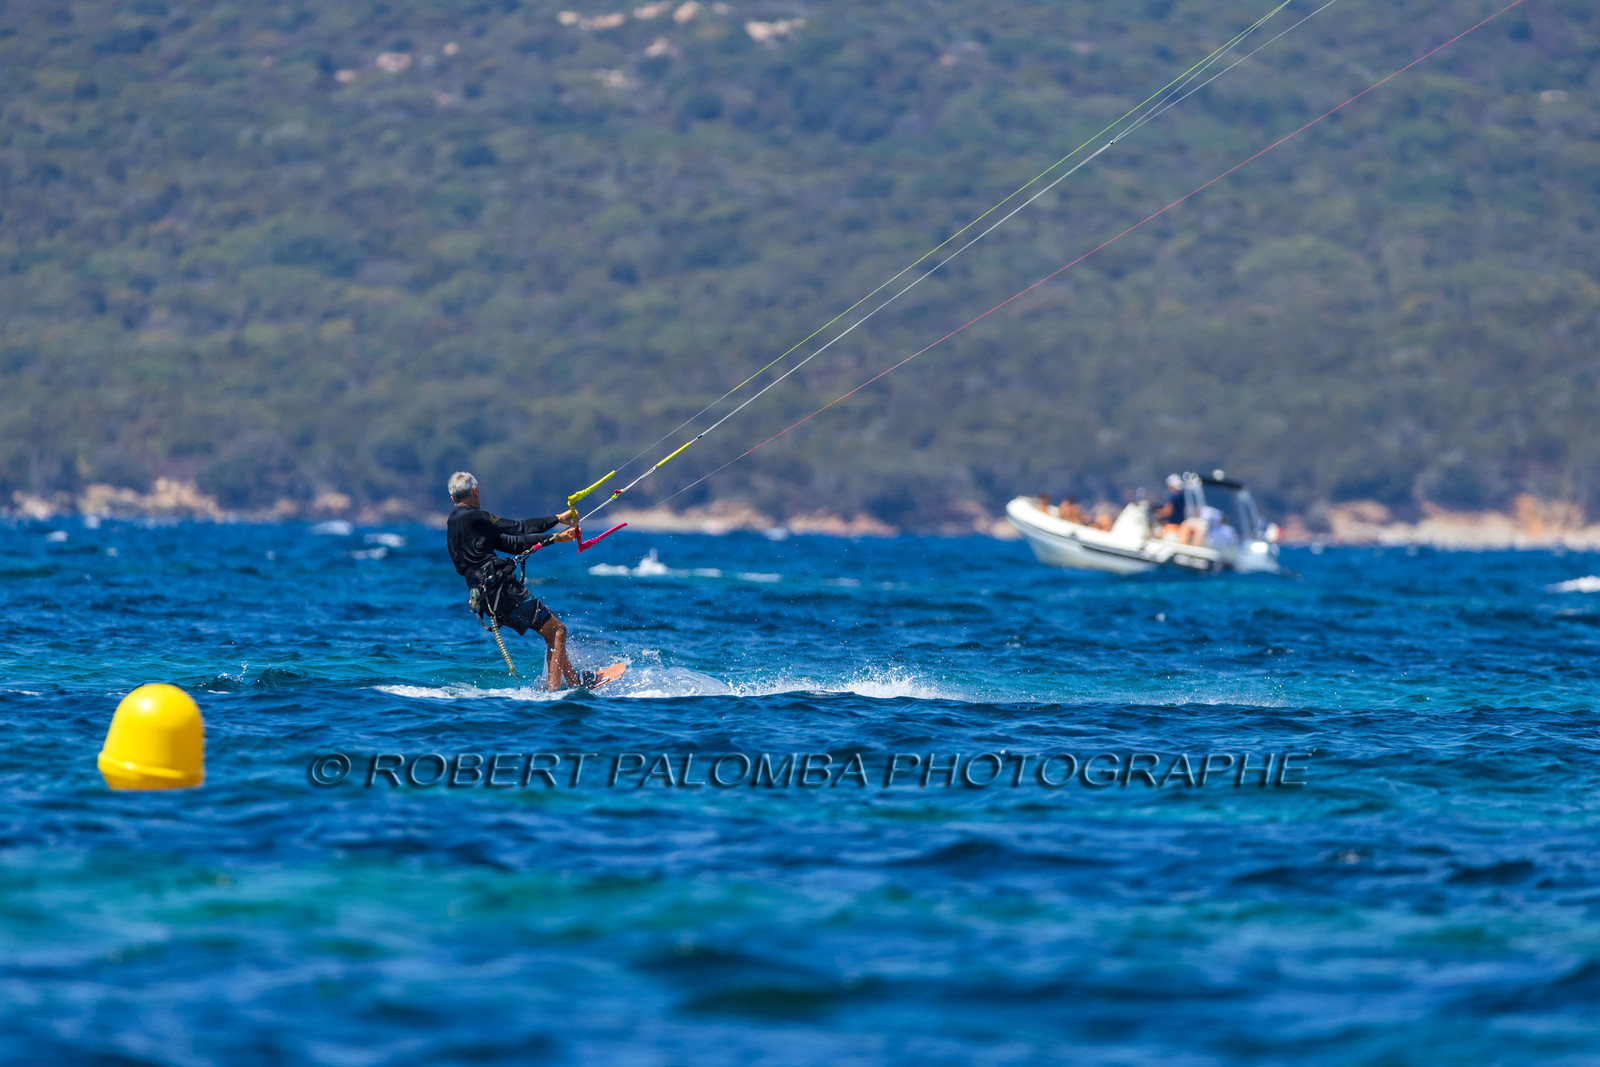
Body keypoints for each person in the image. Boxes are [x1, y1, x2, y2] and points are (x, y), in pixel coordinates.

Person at [444, 471, 589, 690]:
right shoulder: (475, 517)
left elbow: (512, 544)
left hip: (484, 597)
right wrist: (557, 519)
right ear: (475, 491)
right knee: (558, 631)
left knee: (552, 632)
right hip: (501, 589)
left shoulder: (455, 524)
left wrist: (554, 539)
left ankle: (573, 682)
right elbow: (518, 527)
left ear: (453, 498)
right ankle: (554, 694)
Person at [1155, 474, 1186, 540]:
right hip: (1181, 528)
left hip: (1171, 528)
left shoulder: (1173, 496)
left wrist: (1157, 513)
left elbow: (1168, 511)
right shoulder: (1182, 496)